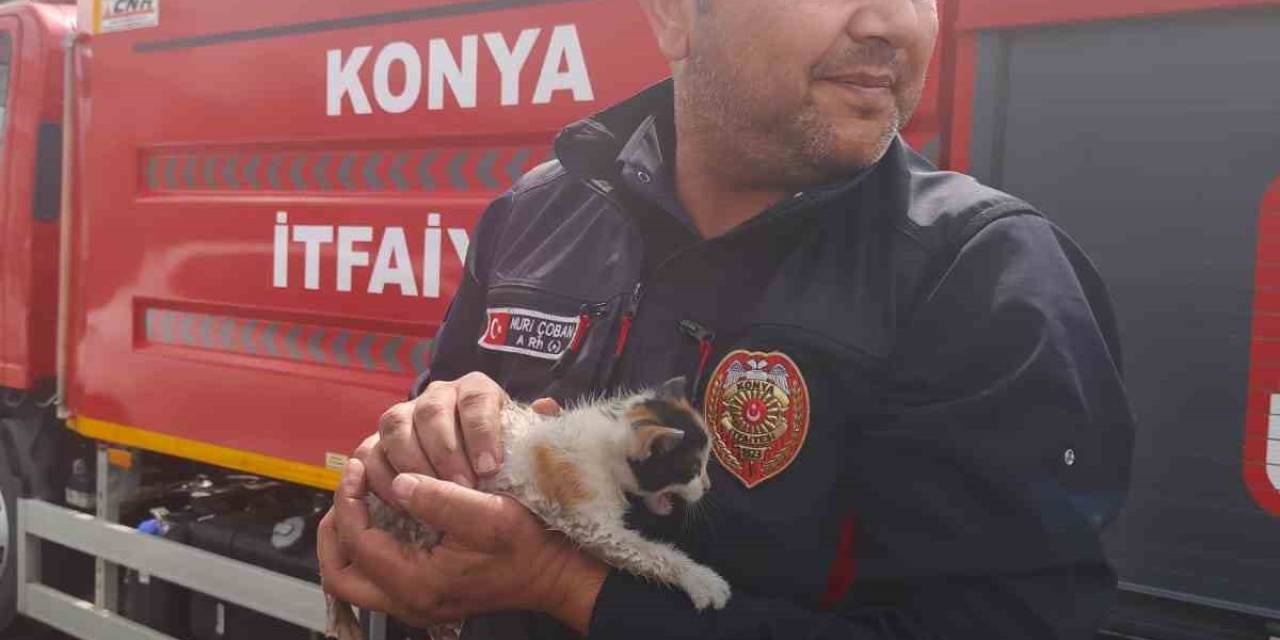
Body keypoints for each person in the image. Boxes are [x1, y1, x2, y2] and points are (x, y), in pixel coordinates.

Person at [318, 0, 1135, 638]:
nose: (891, 25)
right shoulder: (537, 214)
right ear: (675, 15)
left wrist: (569, 588)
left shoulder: (984, 277)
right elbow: (436, 436)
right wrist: (382, 487)